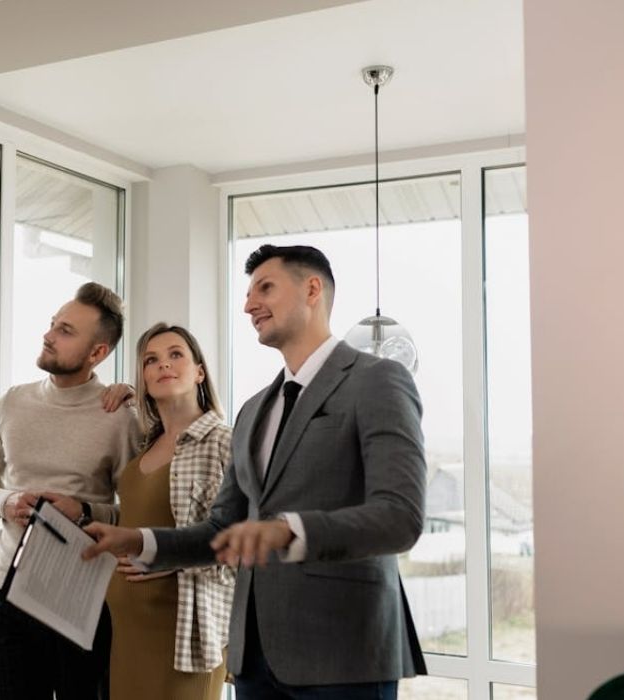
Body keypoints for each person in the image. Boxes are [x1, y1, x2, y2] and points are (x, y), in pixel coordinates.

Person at [85, 245, 427, 699]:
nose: (249, 304)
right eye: (247, 293)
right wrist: (142, 541)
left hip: (344, 649)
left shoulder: (377, 381)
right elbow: (223, 528)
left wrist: (289, 532)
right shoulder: (253, 410)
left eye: (265, 288)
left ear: (312, 289)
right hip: (255, 659)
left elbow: (399, 516)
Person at [0, 281, 142, 700]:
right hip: (8, 594)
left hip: (81, 601)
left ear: (97, 353)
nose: (48, 335)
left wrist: (83, 510)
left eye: (66, 331)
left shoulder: (118, 417)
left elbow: (134, 514)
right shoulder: (10, 403)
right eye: (52, 324)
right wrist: (7, 502)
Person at [107, 323, 233, 700]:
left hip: (187, 638)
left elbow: (246, 544)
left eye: (176, 354)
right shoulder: (141, 447)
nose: (163, 365)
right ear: (143, 380)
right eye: (151, 360)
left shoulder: (224, 443)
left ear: (200, 372)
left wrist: (169, 559)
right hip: (126, 633)